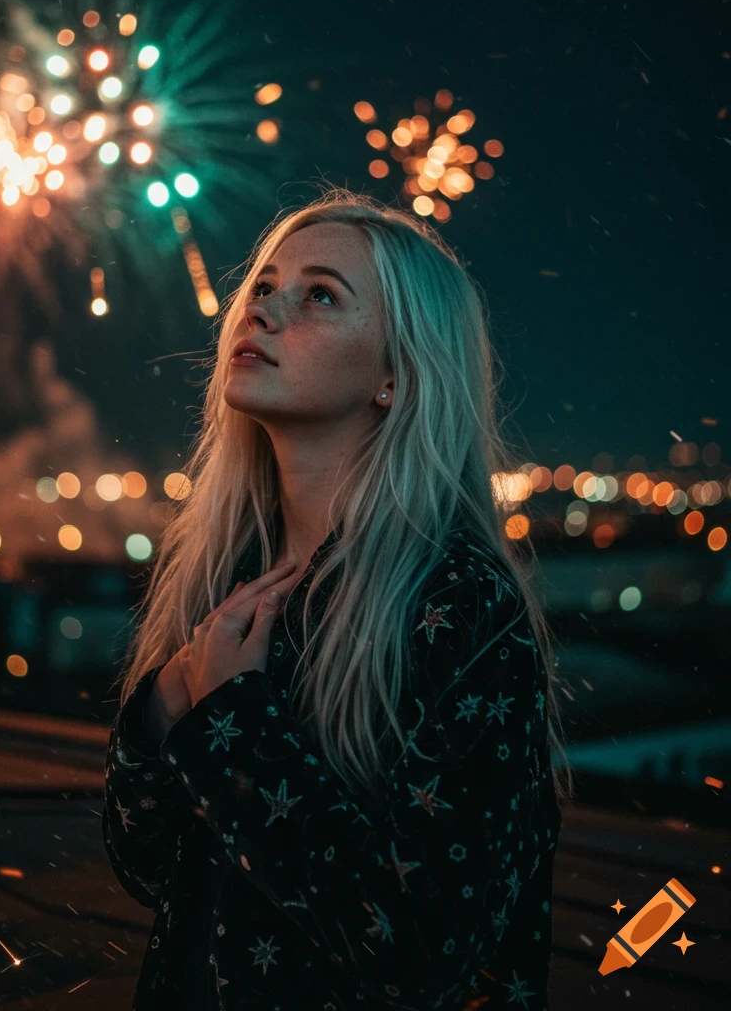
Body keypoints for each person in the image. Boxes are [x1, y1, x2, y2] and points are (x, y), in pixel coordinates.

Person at [103, 187, 573, 1010]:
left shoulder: (460, 607)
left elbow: (419, 958)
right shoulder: (227, 577)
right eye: (263, 285)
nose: (265, 310)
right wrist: (162, 709)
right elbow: (151, 872)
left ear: (396, 374)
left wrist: (233, 721)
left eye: (321, 294)